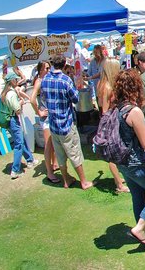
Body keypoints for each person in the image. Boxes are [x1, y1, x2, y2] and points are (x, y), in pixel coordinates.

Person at [111, 68, 145, 246]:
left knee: (138, 196)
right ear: (136, 87)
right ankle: (140, 227)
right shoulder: (134, 111)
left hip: (123, 162)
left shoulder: (116, 108)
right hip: (137, 162)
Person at [41, 55, 93, 190]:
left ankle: (66, 180)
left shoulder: (45, 78)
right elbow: (76, 99)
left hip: (53, 124)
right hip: (66, 122)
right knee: (74, 152)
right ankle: (83, 182)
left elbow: (44, 96)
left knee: (60, 155)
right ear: (64, 65)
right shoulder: (65, 80)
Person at [96, 60, 129, 193]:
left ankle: (119, 180)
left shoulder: (103, 84)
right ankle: (118, 184)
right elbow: (104, 110)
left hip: (112, 120)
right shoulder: (107, 87)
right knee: (112, 152)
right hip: (110, 122)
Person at [1, 72, 38, 179]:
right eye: (16, 80)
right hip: (13, 120)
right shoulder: (11, 94)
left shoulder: (4, 93)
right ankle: (15, 170)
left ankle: (30, 160)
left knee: (21, 140)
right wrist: (21, 102)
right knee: (19, 144)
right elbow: (17, 109)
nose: (17, 81)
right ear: (12, 81)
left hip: (8, 120)